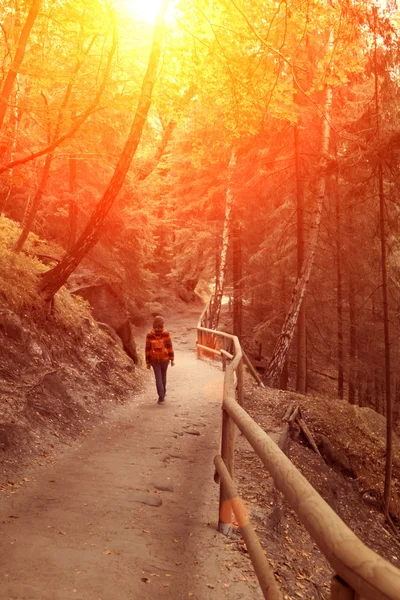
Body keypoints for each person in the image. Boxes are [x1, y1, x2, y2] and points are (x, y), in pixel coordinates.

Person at [145, 316, 174, 404]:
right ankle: (163, 394)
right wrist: (172, 359)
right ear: (162, 324)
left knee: (158, 377)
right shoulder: (166, 333)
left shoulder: (149, 335)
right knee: (163, 376)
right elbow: (169, 347)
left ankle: (161, 398)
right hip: (165, 359)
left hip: (154, 359)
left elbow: (147, 349)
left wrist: (148, 362)